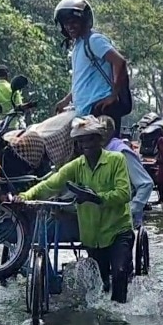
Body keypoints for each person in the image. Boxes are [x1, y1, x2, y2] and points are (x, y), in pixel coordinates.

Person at [15, 117, 134, 302]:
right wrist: (25, 196)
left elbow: (124, 193)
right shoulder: (76, 166)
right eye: (82, 141)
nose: (87, 144)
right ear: (78, 145)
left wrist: (96, 198)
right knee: (102, 282)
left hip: (118, 229)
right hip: (93, 237)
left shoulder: (116, 160)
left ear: (100, 139)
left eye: (91, 139)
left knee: (119, 273)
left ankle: (120, 321)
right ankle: (107, 319)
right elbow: (50, 185)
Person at [52, 0, 132, 131]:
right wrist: (66, 100)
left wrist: (113, 95)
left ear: (84, 21)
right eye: (66, 24)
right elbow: (83, 81)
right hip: (86, 112)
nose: (69, 27)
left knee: (105, 150)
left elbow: (120, 62)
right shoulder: (78, 45)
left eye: (73, 22)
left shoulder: (94, 40)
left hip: (100, 109)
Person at [100, 116, 154, 228]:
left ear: (111, 131)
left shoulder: (122, 152)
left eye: (102, 130)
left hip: (123, 217)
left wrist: (132, 209)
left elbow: (146, 183)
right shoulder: (98, 152)